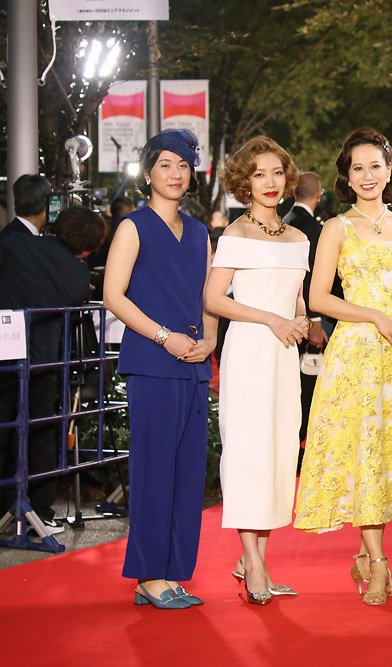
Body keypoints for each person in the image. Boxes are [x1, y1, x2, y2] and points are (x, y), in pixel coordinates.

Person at [295, 128, 392, 607]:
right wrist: (373, 315)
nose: (367, 175)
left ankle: (367, 557)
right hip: (356, 353)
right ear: (346, 177)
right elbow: (317, 297)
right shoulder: (336, 228)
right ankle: (378, 562)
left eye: (375, 166)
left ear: (389, 171)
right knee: (366, 450)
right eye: (357, 168)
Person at [103, 129, 217, 610]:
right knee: (153, 472)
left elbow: (209, 297)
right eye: (166, 164)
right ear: (148, 172)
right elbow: (113, 296)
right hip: (152, 362)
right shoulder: (133, 227)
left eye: (183, 166)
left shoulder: (200, 233)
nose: (175, 173)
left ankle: (172, 573)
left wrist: (210, 339)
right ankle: (149, 575)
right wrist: (164, 336)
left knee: (188, 475)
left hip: (194, 364)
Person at [205, 136, 310, 606]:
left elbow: (297, 296)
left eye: (276, 173)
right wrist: (270, 319)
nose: (270, 182)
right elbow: (213, 298)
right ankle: (253, 563)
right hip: (249, 352)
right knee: (249, 452)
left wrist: (301, 318)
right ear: (244, 182)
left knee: (279, 453)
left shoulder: (298, 238)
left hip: (284, 355)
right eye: (258, 174)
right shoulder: (235, 234)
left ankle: (256, 561)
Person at [0, 207, 106, 533]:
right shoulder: (77, 277)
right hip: (43, 360)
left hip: (4, 355)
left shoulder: (14, 245)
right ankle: (40, 511)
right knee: (42, 433)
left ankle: (5, 503)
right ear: (87, 248)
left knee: (3, 428)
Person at [282, 172, 330, 446]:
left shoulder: (284, 221)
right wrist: (315, 321)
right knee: (306, 384)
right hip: (307, 316)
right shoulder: (313, 228)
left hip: (283, 312)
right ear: (318, 195)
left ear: (292, 193)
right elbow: (311, 277)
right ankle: (300, 440)